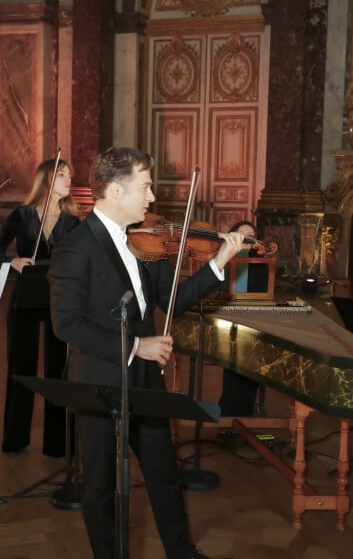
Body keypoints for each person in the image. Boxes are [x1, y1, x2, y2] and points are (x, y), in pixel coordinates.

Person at [48, 147, 244, 559]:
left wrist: (219, 262)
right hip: (99, 381)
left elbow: (175, 300)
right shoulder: (74, 248)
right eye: (146, 187)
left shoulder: (146, 240)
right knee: (100, 482)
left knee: (163, 470)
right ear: (116, 191)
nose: (152, 198)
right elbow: (67, 325)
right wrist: (138, 345)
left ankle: (182, 552)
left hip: (144, 378)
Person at [0, 158, 80, 457]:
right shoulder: (22, 215)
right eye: (62, 175)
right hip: (25, 299)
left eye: (69, 176)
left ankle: (56, 444)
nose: (68, 180)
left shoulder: (73, 221)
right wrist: (11, 262)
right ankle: (15, 439)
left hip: (59, 300)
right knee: (20, 369)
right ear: (46, 180)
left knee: (58, 372)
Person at [217, 220, 264, 417]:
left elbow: (261, 299)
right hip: (224, 323)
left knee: (251, 352)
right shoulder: (222, 260)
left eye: (250, 235)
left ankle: (244, 412)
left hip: (251, 323)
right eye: (242, 234)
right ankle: (229, 411)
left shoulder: (260, 264)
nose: (246, 238)